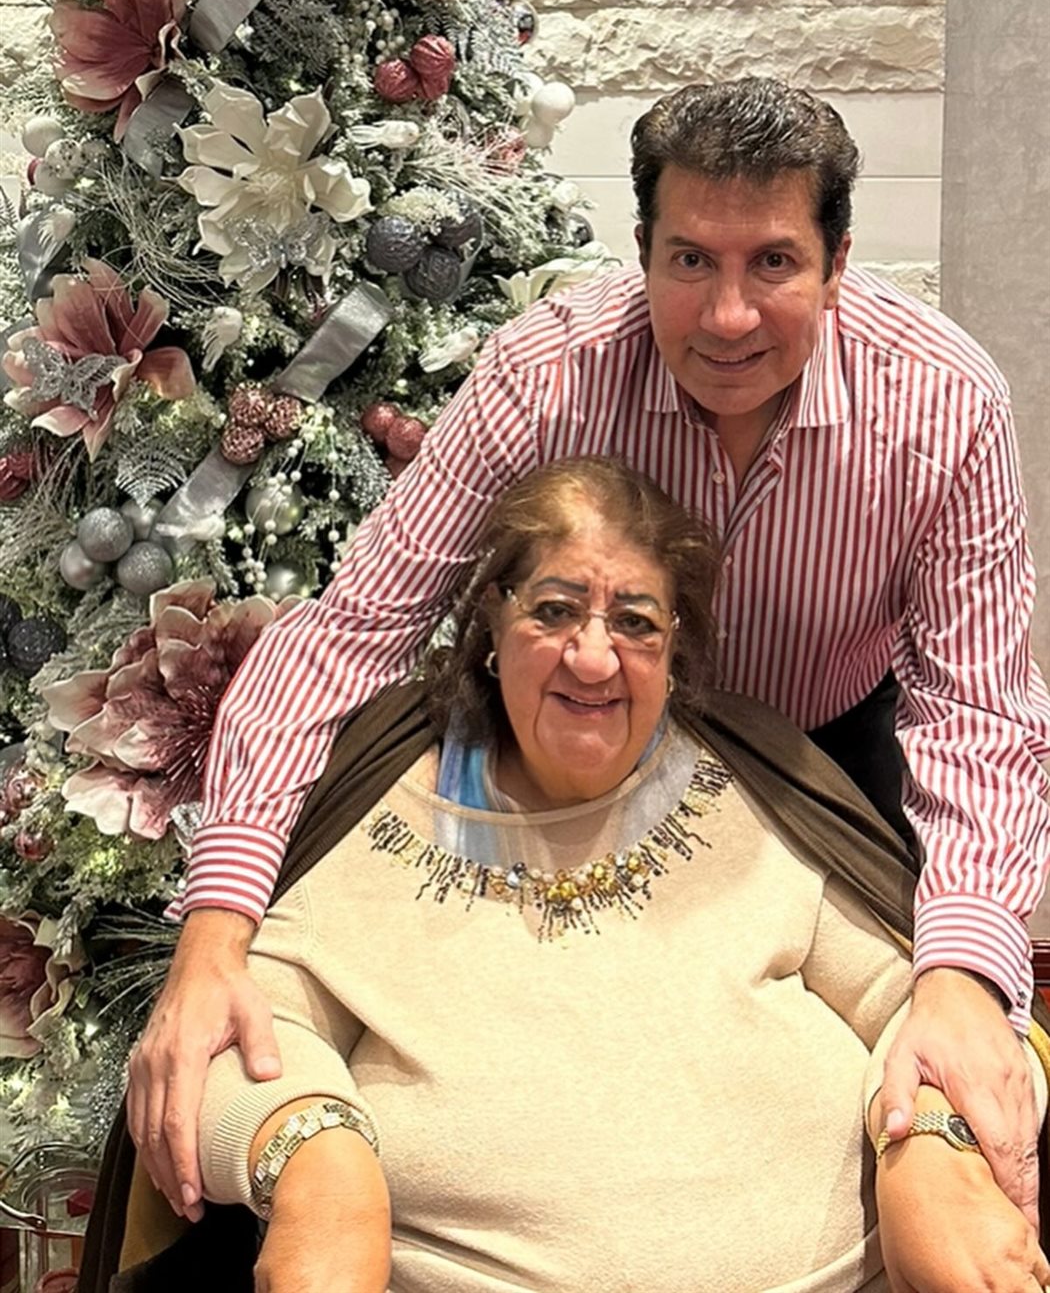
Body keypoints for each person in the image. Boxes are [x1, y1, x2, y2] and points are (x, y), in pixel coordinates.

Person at [131, 77, 1050, 1231]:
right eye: (690, 260)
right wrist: (215, 926)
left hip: (822, 750)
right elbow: (351, 632)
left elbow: (978, 712)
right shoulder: (543, 376)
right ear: (643, 250)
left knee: (927, 1049)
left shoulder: (945, 403)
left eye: (773, 262)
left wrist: (961, 978)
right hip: (578, 756)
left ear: (839, 263)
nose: (727, 316)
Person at [93, 460, 1049, 1293]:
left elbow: (933, 1015)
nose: (594, 657)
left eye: (635, 621)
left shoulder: (758, 790)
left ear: (675, 649)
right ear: (491, 622)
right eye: (554, 611)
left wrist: (933, 1147)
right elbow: (239, 1036)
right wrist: (319, 1167)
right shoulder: (382, 800)